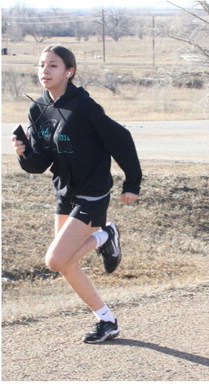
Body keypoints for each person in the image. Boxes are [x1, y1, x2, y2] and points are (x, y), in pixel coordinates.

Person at [11, 45, 142, 344]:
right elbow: (40, 164)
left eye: (53, 65)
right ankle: (106, 320)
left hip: (92, 191)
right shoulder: (38, 109)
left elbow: (121, 139)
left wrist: (132, 182)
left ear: (69, 71)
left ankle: (106, 235)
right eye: (42, 65)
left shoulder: (84, 107)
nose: (45, 70)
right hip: (65, 192)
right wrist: (24, 153)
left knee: (56, 261)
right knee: (67, 264)